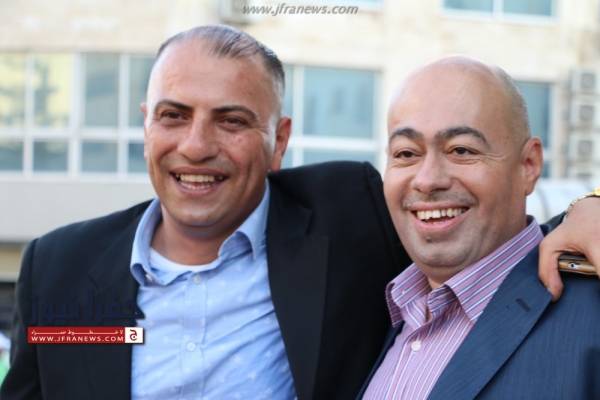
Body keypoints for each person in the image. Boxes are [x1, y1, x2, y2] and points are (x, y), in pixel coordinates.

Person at [1, 26, 598, 400]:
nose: (196, 146)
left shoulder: (346, 214)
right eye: (173, 115)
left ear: (279, 140)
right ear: (146, 124)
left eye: (232, 121)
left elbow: (478, 234)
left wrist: (587, 210)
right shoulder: (60, 265)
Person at [361, 56, 600, 400]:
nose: (427, 180)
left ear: (528, 165)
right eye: (406, 153)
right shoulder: (368, 310)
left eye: (461, 150)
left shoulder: (590, 312)